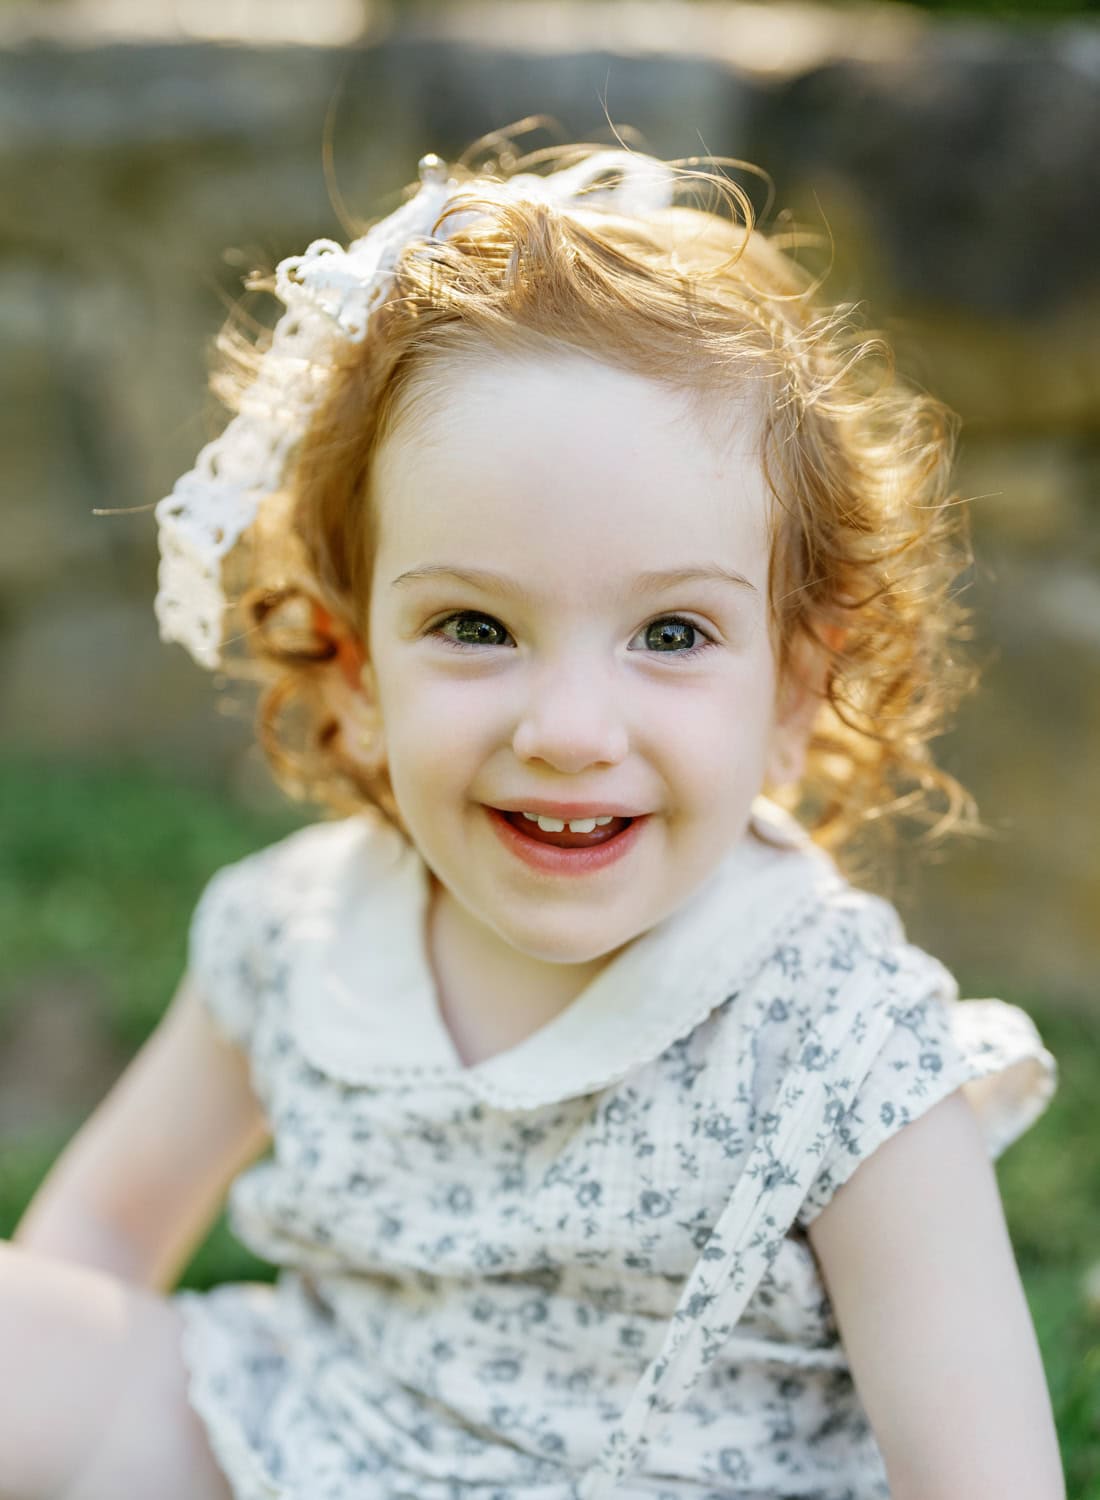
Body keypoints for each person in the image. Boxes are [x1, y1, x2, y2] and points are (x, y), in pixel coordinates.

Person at [2, 136, 1066, 1500]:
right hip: (309, 1439)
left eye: (671, 633)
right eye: (475, 625)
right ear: (357, 672)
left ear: (796, 687)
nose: (568, 729)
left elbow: (984, 1481)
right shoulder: (299, 934)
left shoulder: (840, 1043)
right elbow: (96, 1244)